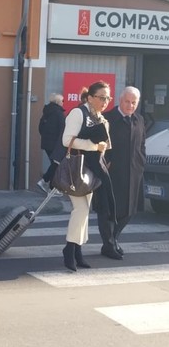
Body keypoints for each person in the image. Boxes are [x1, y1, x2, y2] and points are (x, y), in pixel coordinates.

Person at [60, 81, 115, 271]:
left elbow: (105, 147)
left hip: (92, 170)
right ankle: (69, 249)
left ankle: (76, 251)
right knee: (81, 210)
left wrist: (102, 151)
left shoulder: (102, 119)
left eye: (108, 98)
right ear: (90, 98)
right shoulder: (78, 113)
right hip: (76, 168)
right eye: (101, 97)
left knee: (85, 211)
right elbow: (66, 140)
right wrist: (94, 146)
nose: (105, 101)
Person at [101, 86, 146, 259]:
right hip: (112, 172)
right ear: (120, 100)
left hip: (133, 172)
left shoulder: (139, 119)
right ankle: (109, 245)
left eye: (134, 102)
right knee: (109, 210)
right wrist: (105, 163)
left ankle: (114, 239)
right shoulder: (108, 118)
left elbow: (142, 144)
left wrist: (141, 162)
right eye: (127, 101)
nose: (130, 105)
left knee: (129, 210)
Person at [37, 93, 65, 195]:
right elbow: (62, 129)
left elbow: (40, 128)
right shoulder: (59, 114)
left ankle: (51, 186)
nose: (63, 103)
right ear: (58, 102)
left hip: (46, 143)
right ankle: (46, 183)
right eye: (62, 101)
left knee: (55, 164)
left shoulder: (46, 113)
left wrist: (45, 137)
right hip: (56, 144)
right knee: (56, 164)